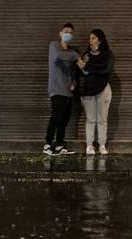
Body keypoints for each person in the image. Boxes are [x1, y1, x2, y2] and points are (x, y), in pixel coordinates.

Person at [77, 29, 114, 155]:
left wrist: (87, 66)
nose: (90, 40)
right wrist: (82, 65)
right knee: (90, 119)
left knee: (102, 119)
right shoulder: (86, 55)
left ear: (100, 40)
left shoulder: (107, 54)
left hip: (103, 89)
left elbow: (105, 69)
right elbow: (81, 72)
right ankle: (89, 145)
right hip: (88, 90)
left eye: (93, 38)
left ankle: (102, 145)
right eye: (89, 38)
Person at [45, 23, 79, 155]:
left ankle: (59, 144)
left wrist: (74, 82)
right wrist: (76, 56)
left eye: (70, 32)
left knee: (64, 119)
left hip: (68, 91)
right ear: (60, 33)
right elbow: (58, 56)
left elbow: (74, 70)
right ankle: (47, 144)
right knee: (56, 117)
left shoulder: (71, 51)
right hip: (56, 89)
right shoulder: (54, 46)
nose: (68, 34)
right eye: (66, 32)